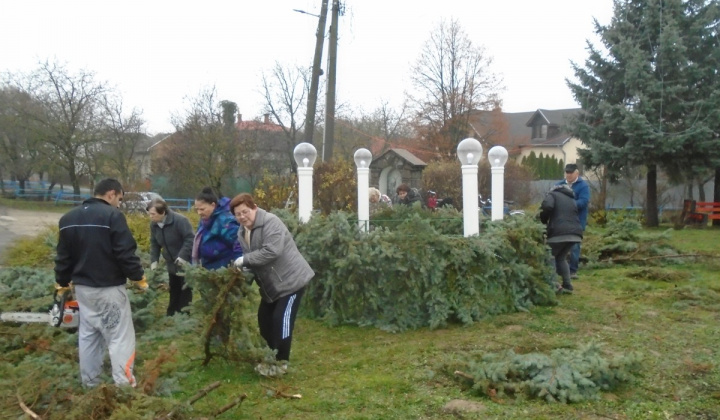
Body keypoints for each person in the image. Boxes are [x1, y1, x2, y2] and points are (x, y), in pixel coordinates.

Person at [54, 178, 147, 388]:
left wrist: (62, 283)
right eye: (120, 199)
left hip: (83, 291)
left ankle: (90, 385)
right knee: (119, 338)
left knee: (89, 337)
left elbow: (63, 257)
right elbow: (125, 252)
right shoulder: (113, 216)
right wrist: (138, 277)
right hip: (109, 289)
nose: (119, 204)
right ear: (111, 193)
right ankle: (124, 386)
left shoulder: (68, 218)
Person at [229, 193, 314, 377]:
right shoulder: (242, 232)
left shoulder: (271, 222)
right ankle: (269, 358)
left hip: (291, 281)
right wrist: (241, 278)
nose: (242, 216)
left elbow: (271, 251)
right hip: (270, 287)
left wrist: (244, 260)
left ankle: (280, 363)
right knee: (264, 320)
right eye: (238, 214)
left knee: (281, 320)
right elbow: (251, 264)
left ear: (254, 208)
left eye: (245, 211)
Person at [148, 198, 195, 316]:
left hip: (184, 262)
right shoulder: (154, 225)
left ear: (162, 212)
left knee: (184, 288)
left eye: (153, 214)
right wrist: (154, 261)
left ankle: (183, 315)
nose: (150, 216)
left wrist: (183, 256)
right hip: (170, 263)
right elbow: (154, 243)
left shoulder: (180, 221)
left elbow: (190, 238)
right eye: (149, 213)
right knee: (174, 288)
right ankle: (171, 313)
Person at [539, 184, 583, 294]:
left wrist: (543, 220)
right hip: (575, 233)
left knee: (550, 256)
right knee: (561, 258)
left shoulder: (552, 195)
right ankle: (567, 284)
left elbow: (547, 206)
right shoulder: (571, 198)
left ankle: (554, 285)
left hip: (559, 233)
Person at [191, 187, 242, 270]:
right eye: (197, 209)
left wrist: (238, 266)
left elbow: (238, 244)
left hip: (224, 271)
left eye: (202, 209)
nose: (199, 213)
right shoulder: (205, 220)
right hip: (208, 268)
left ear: (213, 205)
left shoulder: (225, 221)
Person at [556, 163, 590, 278]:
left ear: (577, 173)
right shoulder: (559, 185)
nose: (568, 175)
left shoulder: (583, 186)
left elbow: (584, 201)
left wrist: (568, 205)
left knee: (574, 246)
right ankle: (559, 270)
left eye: (571, 173)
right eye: (567, 172)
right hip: (561, 222)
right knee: (560, 246)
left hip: (577, 221)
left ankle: (572, 271)